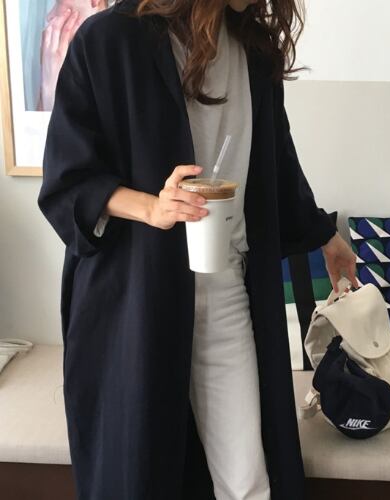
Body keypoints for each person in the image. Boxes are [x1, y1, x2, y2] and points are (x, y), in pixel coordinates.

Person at [37, 0, 358, 499]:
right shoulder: (107, 41)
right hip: (132, 306)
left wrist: (327, 236)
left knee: (248, 481)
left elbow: (277, 167)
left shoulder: (253, 52)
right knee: (137, 477)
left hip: (227, 293)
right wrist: (153, 206)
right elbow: (68, 181)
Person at [37, 0, 113, 110]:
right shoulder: (56, 59)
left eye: (59, 2)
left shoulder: (119, 65)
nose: (49, 16)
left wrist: (51, 89)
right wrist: (48, 83)